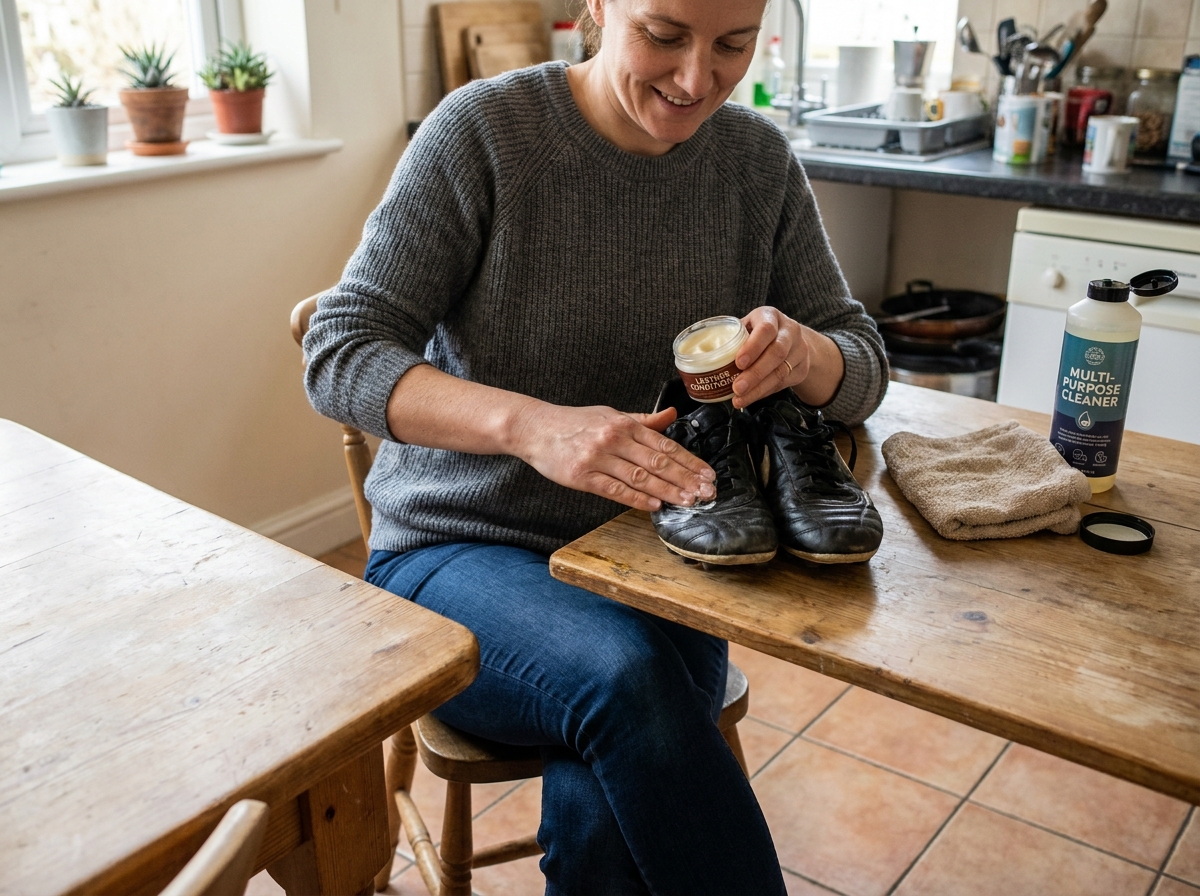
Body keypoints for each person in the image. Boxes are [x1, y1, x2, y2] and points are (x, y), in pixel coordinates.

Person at [303, 0, 887, 890]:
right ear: (601, 8)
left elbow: (863, 363)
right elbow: (341, 351)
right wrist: (530, 426)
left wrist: (809, 353)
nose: (698, 81)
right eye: (662, 36)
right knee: (630, 684)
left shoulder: (755, 160)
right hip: (457, 551)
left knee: (616, 756)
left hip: (665, 556)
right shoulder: (487, 134)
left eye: (732, 45)